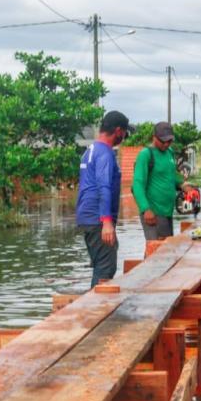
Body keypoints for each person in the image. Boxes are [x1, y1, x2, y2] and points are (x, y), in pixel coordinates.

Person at [76, 110, 131, 288]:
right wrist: (107, 222)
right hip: (98, 218)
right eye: (124, 133)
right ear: (118, 131)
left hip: (87, 216)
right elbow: (103, 186)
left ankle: (93, 306)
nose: (124, 136)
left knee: (101, 264)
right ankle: (95, 311)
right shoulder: (105, 154)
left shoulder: (90, 151)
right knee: (105, 268)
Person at [132, 121, 192, 240]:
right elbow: (137, 185)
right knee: (156, 250)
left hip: (168, 212)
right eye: (162, 141)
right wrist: (146, 209)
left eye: (169, 141)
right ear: (154, 137)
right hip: (153, 212)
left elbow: (171, 175)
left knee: (166, 250)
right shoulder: (146, 155)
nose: (166, 144)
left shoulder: (169, 152)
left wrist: (183, 184)